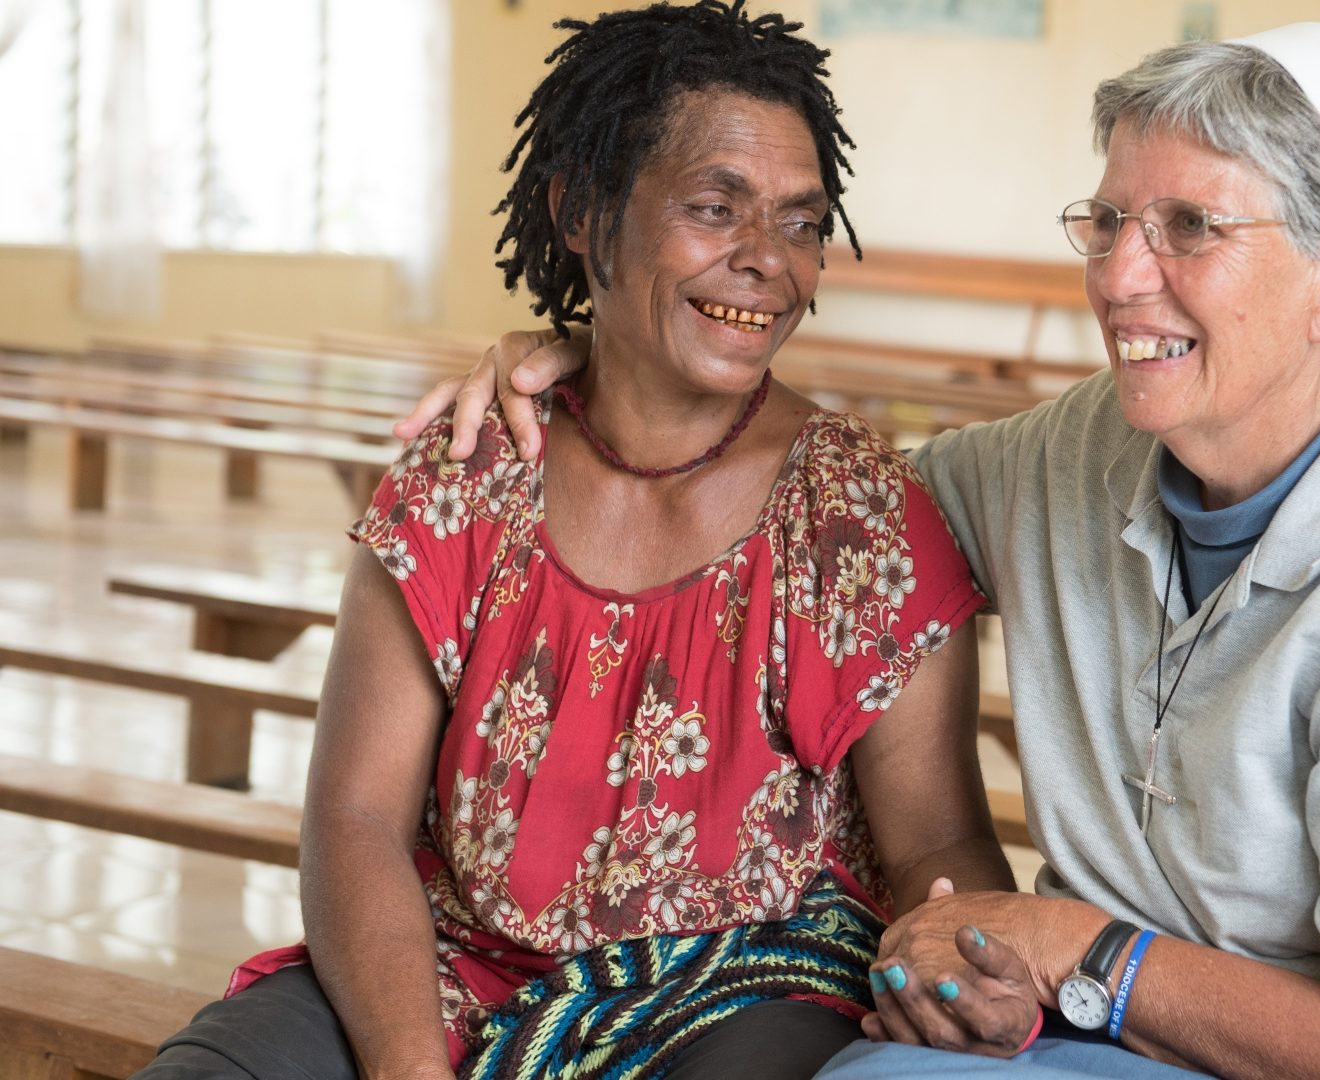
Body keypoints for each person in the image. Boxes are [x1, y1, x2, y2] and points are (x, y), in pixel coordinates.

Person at [411, 22, 1320, 1080]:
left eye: (1191, 226)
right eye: (1110, 218)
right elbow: (825, 517)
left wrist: (1082, 947)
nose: (1123, 278)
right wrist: (610, 373)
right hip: (1132, 1028)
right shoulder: (1080, 456)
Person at [133, 5, 1013, 1079]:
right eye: (713, 207)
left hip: (747, 986)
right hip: (454, 964)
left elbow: (935, 844)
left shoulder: (857, 515)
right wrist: (411, 1068)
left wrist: (969, 959)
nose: (764, 262)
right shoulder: (467, 479)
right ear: (583, 211)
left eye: (798, 221)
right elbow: (357, 817)